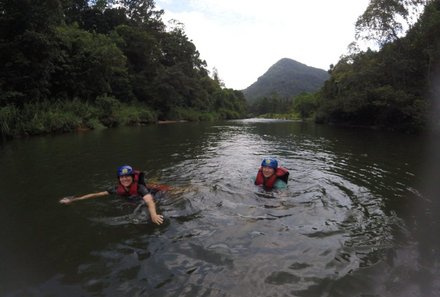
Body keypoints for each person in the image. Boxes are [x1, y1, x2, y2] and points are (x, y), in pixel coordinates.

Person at [59, 165, 164, 225]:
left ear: (132, 177)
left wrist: (154, 214)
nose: (125, 179)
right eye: (122, 177)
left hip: (153, 193)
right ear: (119, 179)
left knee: (163, 191)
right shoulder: (116, 189)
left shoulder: (140, 188)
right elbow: (96, 194)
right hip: (133, 198)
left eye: (127, 176)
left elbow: (149, 200)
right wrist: (75, 199)